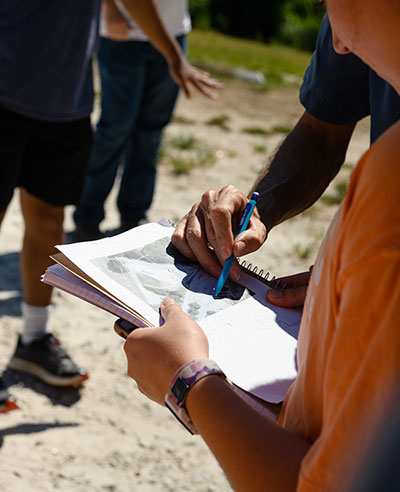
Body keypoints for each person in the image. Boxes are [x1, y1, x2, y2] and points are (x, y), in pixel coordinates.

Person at [123, 1, 400, 490]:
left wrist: (189, 380)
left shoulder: (391, 184)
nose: (333, 35)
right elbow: (321, 129)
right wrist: (259, 210)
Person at [0, 0, 220, 413]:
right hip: (4, 91)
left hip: (65, 106)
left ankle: (32, 340)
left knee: (49, 224)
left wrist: (173, 56)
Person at [171, 12, 400, 309]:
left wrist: (379, 281)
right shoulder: (351, 15)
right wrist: (257, 212)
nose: (340, 46)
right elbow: (322, 132)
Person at [73, 0, 211, 241]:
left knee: (151, 132)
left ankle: (133, 217)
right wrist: (108, 7)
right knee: (114, 129)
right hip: (123, 32)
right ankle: (87, 217)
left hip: (173, 32)